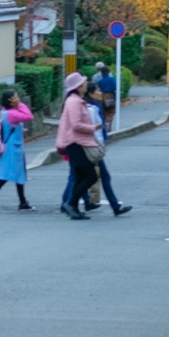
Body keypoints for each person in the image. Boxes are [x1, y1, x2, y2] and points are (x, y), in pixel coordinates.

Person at [78, 78, 133, 216]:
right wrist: (99, 145)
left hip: (91, 147)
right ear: (90, 93)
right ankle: (72, 203)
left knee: (83, 178)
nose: (100, 92)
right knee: (99, 177)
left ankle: (80, 202)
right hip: (92, 148)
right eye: (97, 90)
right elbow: (93, 130)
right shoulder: (91, 109)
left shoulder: (94, 106)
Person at [55, 71, 99, 220]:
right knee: (90, 176)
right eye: (84, 83)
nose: (86, 84)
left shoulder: (75, 100)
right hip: (76, 143)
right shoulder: (74, 102)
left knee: (80, 177)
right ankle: (71, 203)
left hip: (77, 142)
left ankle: (72, 206)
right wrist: (93, 127)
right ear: (78, 86)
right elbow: (76, 125)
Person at [0, 88, 34, 210]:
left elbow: (10, 126)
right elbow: (29, 116)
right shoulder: (12, 113)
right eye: (15, 96)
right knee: (5, 175)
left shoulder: (5, 112)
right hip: (12, 149)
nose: (18, 98)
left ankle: (23, 202)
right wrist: (20, 104)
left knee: (19, 174)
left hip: (13, 146)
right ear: (10, 100)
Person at [93, 62, 119, 128]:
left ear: (101, 73)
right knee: (111, 110)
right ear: (108, 72)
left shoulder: (100, 81)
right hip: (110, 96)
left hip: (102, 97)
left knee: (103, 110)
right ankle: (108, 122)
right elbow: (115, 88)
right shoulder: (112, 79)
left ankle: (104, 123)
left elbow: (98, 89)